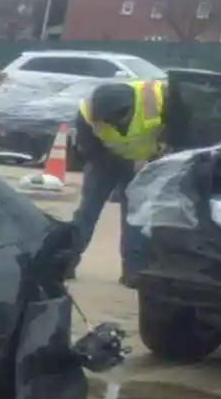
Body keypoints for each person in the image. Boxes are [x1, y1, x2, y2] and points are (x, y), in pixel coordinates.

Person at [69, 78, 192, 282]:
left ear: (127, 110)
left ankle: (133, 271)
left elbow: (180, 133)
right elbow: (89, 149)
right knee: (87, 212)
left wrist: (157, 158)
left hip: (144, 164)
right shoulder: (87, 114)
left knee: (134, 218)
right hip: (104, 161)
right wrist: (123, 162)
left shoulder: (160, 102)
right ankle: (66, 261)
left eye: (112, 120)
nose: (107, 124)